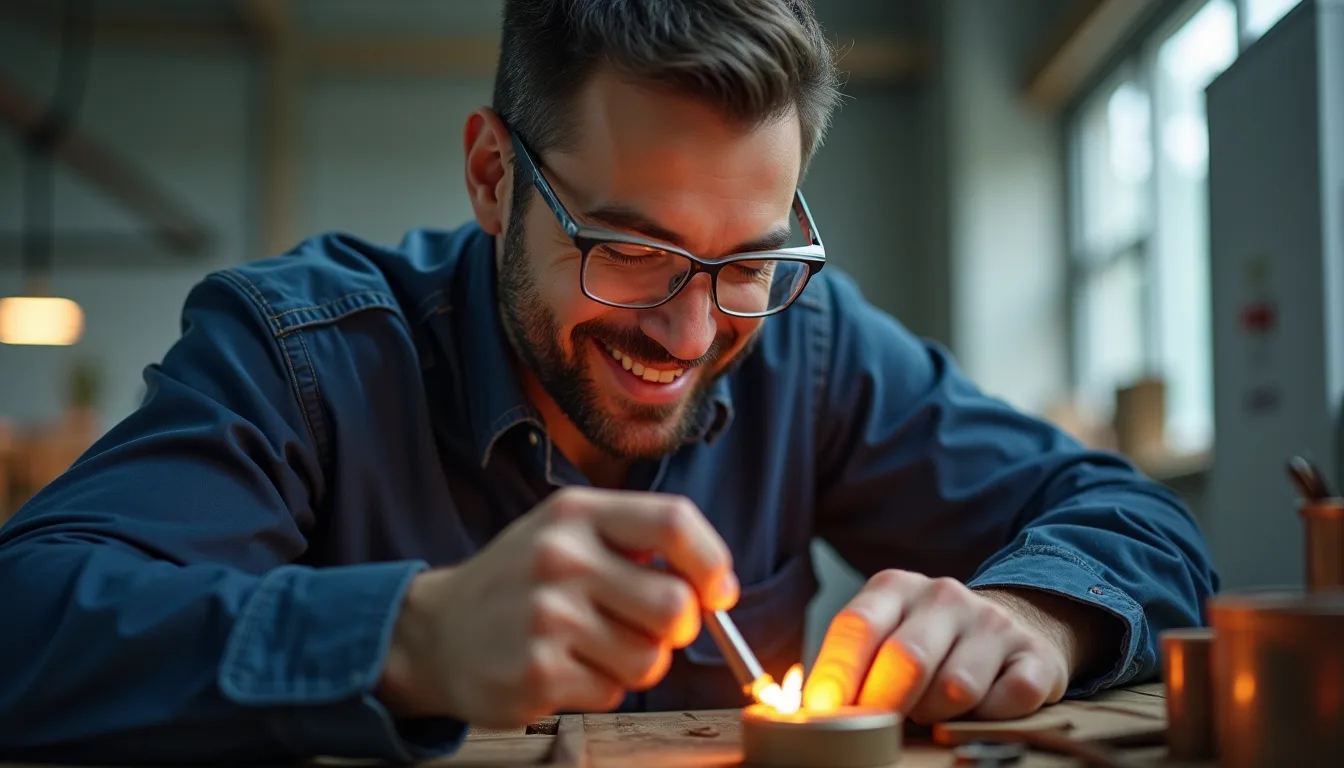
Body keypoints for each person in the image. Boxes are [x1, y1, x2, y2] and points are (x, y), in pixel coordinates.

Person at [0, 0, 1218, 763]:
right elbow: (28, 618)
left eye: (747, 260)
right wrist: (403, 641)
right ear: (492, 178)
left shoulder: (809, 342)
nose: (691, 329)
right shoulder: (303, 357)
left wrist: (1036, 617)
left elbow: (1145, 525)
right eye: (630, 249)